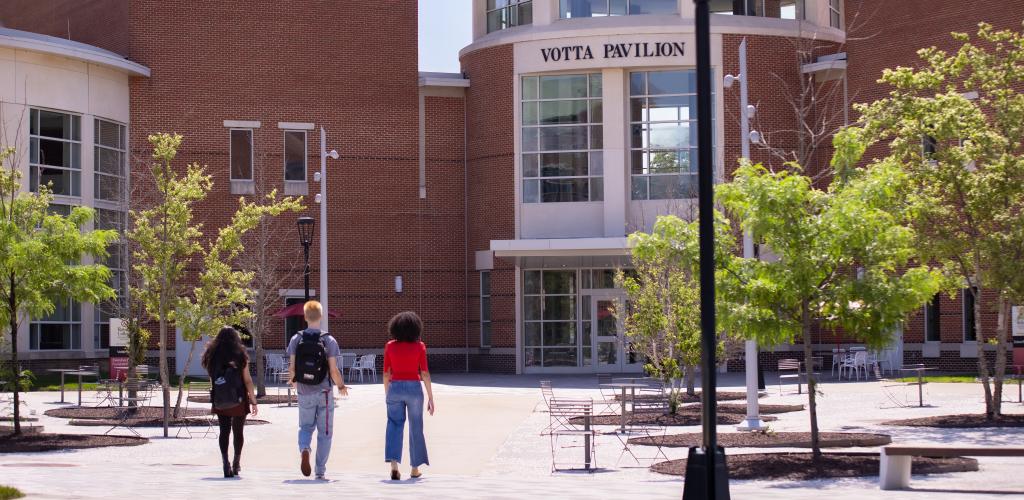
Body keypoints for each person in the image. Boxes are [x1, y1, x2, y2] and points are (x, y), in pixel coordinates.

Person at [287, 300, 349, 480]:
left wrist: (294, 383)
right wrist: (341, 386)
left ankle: (305, 448)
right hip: (324, 393)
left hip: (304, 391)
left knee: (305, 427)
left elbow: (291, 368)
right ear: (321, 317)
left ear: (305, 317)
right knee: (325, 433)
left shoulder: (296, 339)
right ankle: (320, 470)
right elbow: (333, 370)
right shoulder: (329, 340)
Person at [383, 311, 435, 481]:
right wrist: (430, 397)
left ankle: (394, 467)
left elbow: (386, 373)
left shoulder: (390, 346)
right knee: (416, 426)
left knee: (394, 425)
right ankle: (414, 468)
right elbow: (425, 373)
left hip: (395, 387)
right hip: (414, 388)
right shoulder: (420, 346)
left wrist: (387, 393)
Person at [200, 326, 258, 478]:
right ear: (236, 339)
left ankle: (225, 463)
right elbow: (247, 380)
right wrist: (253, 400)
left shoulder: (211, 356)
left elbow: (212, 379)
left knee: (224, 431)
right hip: (238, 398)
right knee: (238, 431)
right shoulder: (241, 355)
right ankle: (236, 463)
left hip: (220, 398)